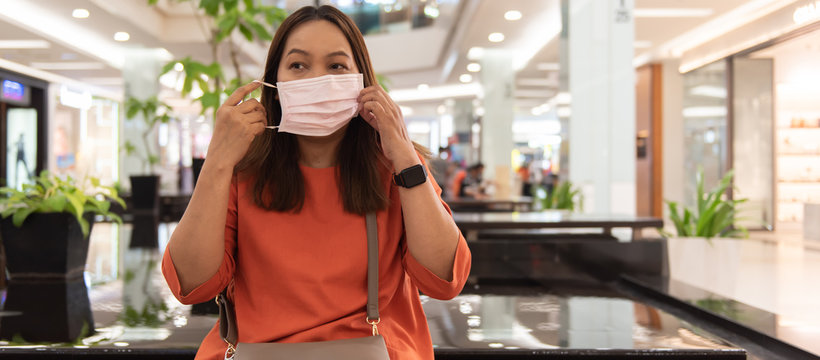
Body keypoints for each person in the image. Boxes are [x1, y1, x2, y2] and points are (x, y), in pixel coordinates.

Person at [161, 5, 471, 360]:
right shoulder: (239, 172)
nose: (315, 79)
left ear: (363, 83)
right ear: (273, 86)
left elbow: (445, 280)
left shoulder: (396, 169)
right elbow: (189, 284)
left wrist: (403, 154)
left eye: (337, 66)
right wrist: (217, 162)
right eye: (298, 65)